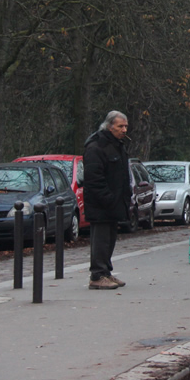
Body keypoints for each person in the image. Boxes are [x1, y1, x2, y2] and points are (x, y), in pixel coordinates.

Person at [83, 110, 133, 290]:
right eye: (120, 126)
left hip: (114, 203)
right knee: (101, 240)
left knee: (110, 239)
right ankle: (97, 275)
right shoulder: (96, 147)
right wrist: (108, 198)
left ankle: (106, 272)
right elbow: (93, 178)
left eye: (126, 126)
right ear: (109, 126)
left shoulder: (117, 145)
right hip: (101, 204)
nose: (124, 130)